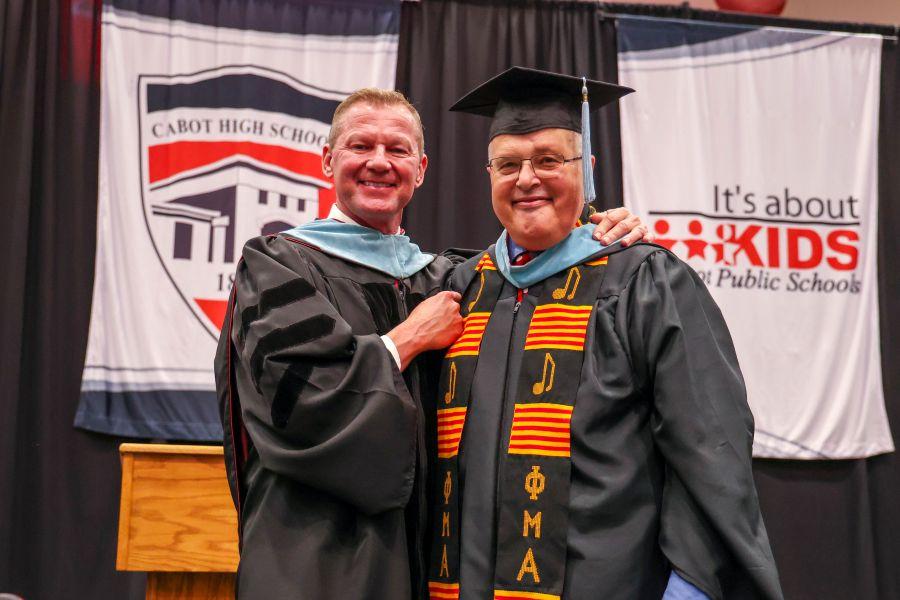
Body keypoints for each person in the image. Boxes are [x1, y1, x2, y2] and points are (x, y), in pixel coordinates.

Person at [214, 87, 650, 599]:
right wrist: (405, 341)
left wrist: (596, 234)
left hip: (428, 559)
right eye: (361, 146)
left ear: (420, 170)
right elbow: (299, 402)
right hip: (316, 559)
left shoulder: (449, 278)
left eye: (397, 150)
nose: (379, 162)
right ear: (328, 161)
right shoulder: (277, 266)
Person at [427, 67, 784, 600]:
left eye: (549, 160)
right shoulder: (461, 287)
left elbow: (710, 447)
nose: (527, 179)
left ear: (587, 168)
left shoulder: (644, 282)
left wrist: (688, 588)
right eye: (508, 164)